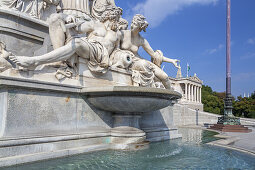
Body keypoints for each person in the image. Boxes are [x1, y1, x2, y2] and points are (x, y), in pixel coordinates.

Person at [10, 6, 123, 74]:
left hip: (101, 55)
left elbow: (118, 51)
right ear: (107, 16)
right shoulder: (95, 24)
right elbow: (78, 27)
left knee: (77, 43)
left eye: (117, 18)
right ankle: (56, 61)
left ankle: (35, 61)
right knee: (55, 18)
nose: (115, 21)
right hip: (91, 47)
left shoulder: (118, 33)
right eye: (113, 17)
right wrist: (66, 17)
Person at [119, 14, 180, 89]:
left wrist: (171, 60)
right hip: (129, 61)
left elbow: (154, 55)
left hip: (139, 60)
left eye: (135, 24)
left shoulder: (142, 40)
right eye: (132, 22)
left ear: (140, 27)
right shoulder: (122, 34)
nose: (131, 25)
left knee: (165, 77)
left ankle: (170, 98)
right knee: (143, 64)